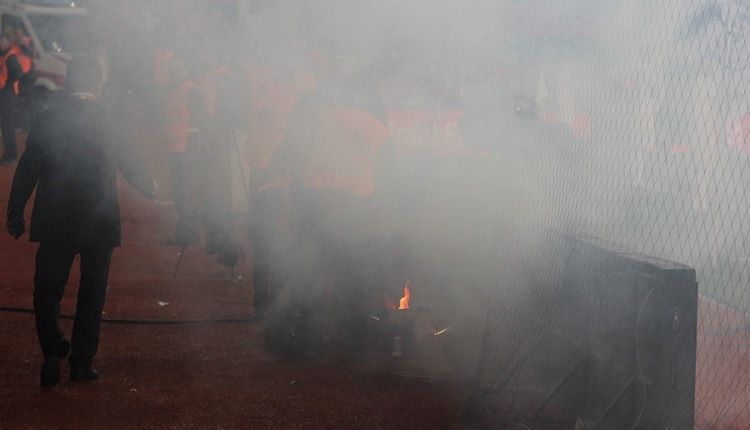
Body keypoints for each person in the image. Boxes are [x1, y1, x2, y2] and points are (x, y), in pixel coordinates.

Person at [5, 53, 157, 389]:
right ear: (98, 82)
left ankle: (52, 343)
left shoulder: (49, 118)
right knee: (92, 294)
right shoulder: (111, 119)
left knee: (46, 289)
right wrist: (151, 188)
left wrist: (15, 212)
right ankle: (81, 364)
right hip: (99, 221)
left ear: (70, 81)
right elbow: (130, 164)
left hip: (55, 218)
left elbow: (28, 168)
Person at [263, 55, 399, 358]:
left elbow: (297, 158)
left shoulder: (324, 118)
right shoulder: (381, 132)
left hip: (315, 201)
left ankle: (291, 339)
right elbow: (390, 184)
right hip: (356, 209)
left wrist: (296, 205)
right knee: (353, 278)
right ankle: (356, 346)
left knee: (307, 271)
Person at [164, 55, 208, 246]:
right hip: (175, 149)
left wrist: (191, 151)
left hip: (186, 151)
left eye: (179, 68)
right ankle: (186, 232)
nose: (175, 72)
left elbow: (199, 122)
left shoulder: (192, 91)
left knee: (186, 193)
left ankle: (189, 234)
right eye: (172, 68)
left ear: (185, 70)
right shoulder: (172, 92)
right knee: (179, 193)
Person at [0, 35, 24, 165]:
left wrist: (7, 86)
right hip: (5, 94)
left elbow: (17, 73)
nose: (0, 43)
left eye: (2, 41)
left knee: (7, 126)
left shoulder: (10, 57)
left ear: (8, 43)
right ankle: (8, 155)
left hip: (8, 95)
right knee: (5, 125)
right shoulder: (5, 56)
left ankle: (11, 156)